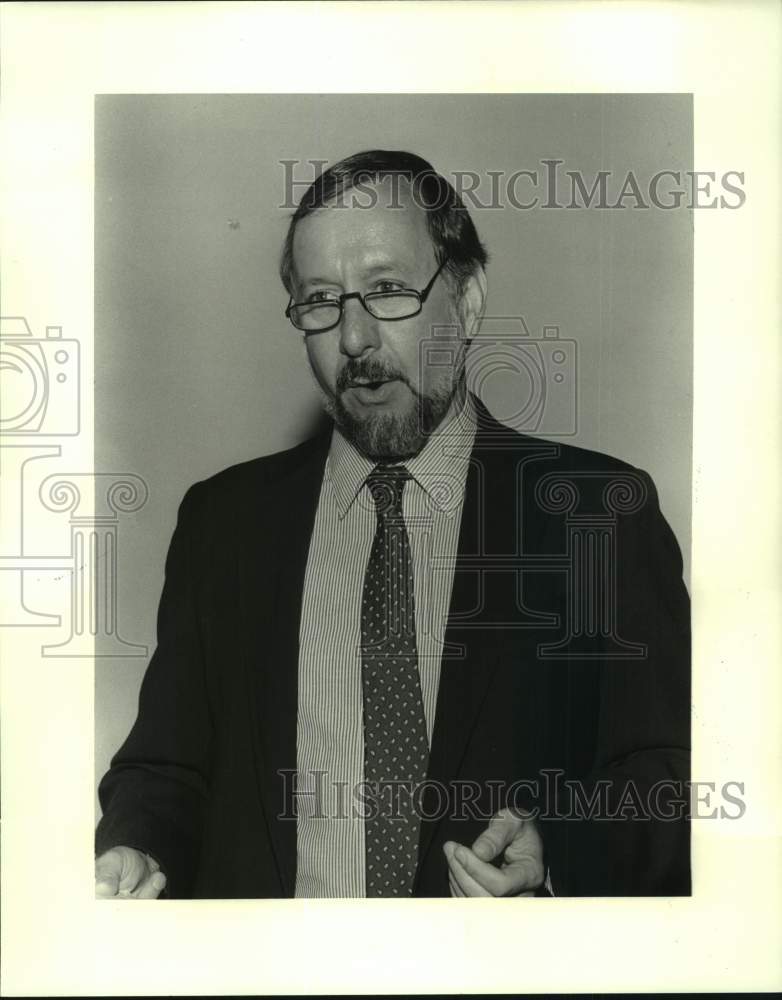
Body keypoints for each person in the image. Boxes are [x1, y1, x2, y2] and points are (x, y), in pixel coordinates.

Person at [95, 149, 690, 899]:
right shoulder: (224, 526)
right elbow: (167, 769)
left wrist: (561, 854)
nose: (353, 340)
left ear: (467, 299)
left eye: (387, 291)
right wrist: (140, 846)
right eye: (320, 301)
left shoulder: (597, 516)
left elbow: (663, 781)